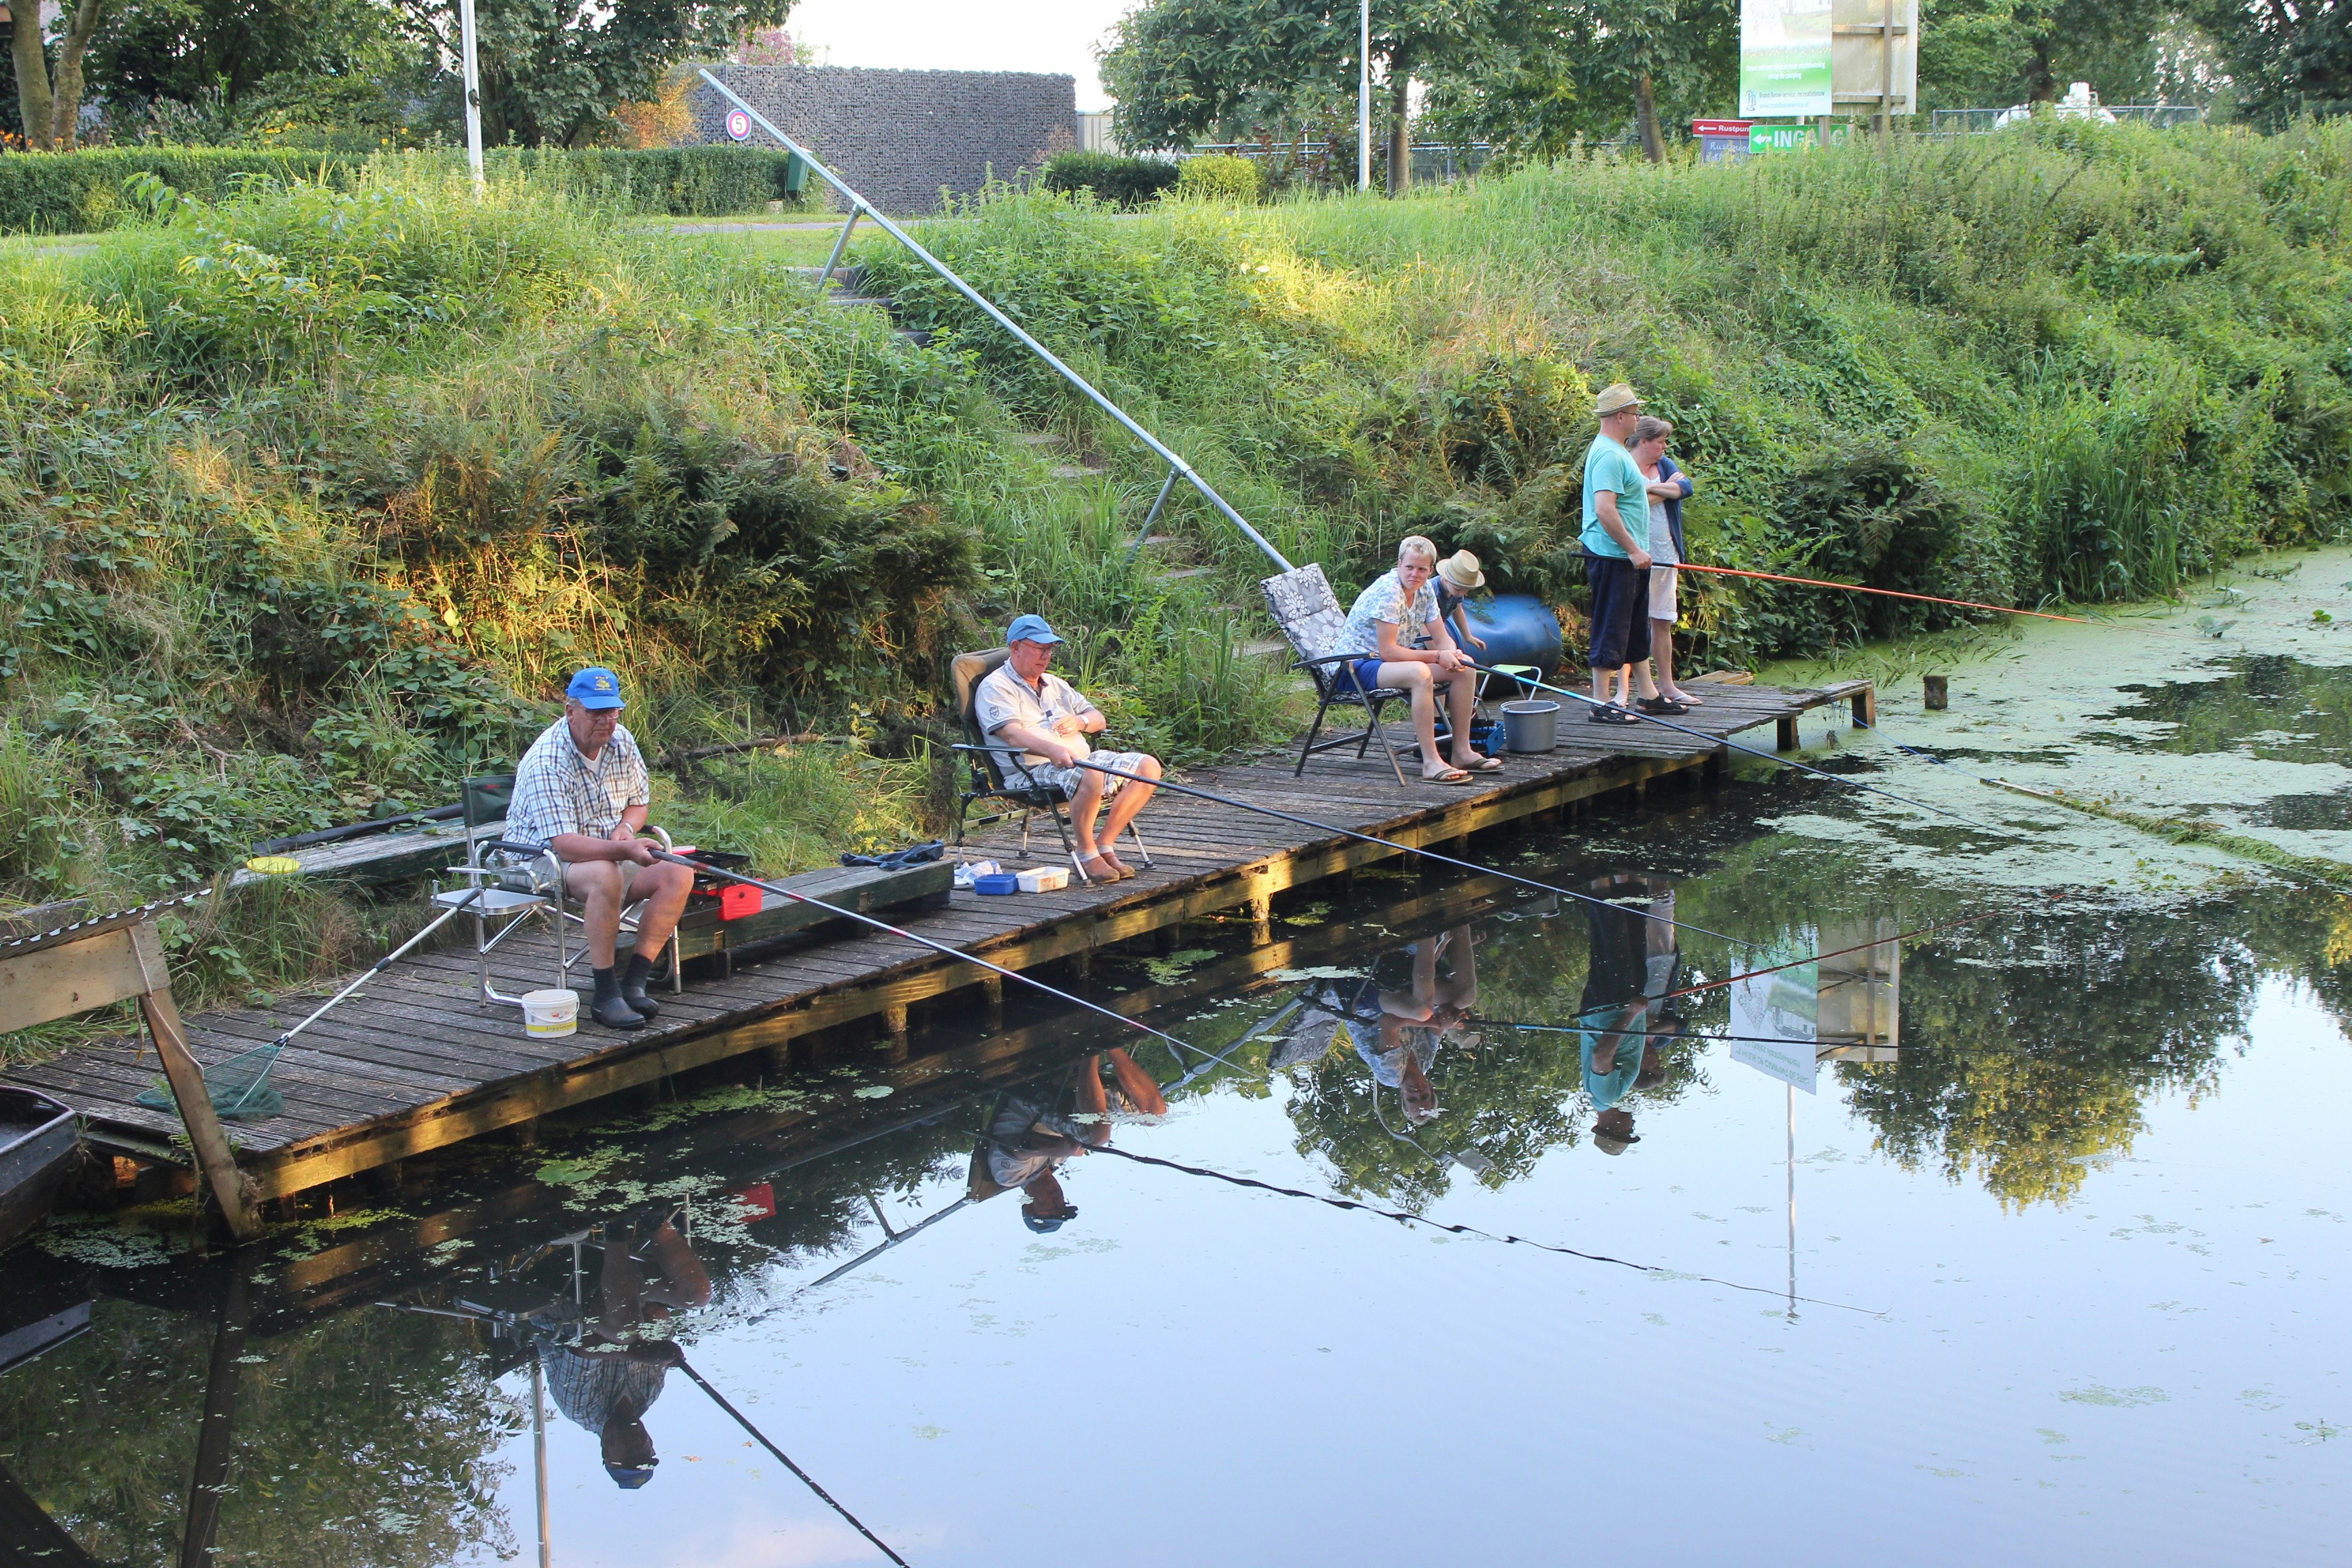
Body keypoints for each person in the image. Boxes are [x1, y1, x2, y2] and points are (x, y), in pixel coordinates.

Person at [506, 667, 696, 1031]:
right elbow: (565, 845)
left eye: (612, 712)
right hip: (539, 860)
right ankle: (605, 995)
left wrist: (626, 829)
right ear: (571, 711)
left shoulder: (621, 740)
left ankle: (635, 982)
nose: (606, 722)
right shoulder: (547, 759)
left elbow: (639, 803)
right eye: (596, 713)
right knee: (604, 874)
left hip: (605, 850)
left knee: (678, 870)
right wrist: (623, 851)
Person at [975, 615, 1162, 885]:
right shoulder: (996, 687)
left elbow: (1098, 719)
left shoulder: (1055, 684)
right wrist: (1052, 750)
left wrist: (1079, 721)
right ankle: (1086, 854)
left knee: (1148, 766)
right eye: (1039, 649)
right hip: (1030, 770)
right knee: (1091, 773)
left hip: (1080, 761)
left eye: (1050, 649)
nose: (1046, 656)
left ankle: (1105, 845)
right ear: (1015, 647)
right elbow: (1011, 734)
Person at [541, 1214, 713, 1489]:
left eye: (632, 1456)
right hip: (619, 1295)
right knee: (698, 1296)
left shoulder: (580, 1409)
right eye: (648, 1454)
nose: (640, 1446)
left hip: (567, 1301)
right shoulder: (648, 1395)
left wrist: (640, 1352)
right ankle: (655, 1220)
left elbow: (582, 1346)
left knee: (625, 1329)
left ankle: (616, 1224)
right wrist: (663, 1344)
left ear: (608, 1454)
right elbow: (658, 1314)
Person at [1333, 536, 1498, 785]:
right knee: (1420, 674)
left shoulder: (1426, 591)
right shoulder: (1389, 592)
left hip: (1385, 665)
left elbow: (1441, 637)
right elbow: (1389, 651)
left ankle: (1462, 752)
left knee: (1464, 669)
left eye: (1422, 569)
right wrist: (1437, 657)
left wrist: (1453, 655)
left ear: (1431, 570)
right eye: (1409, 567)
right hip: (1355, 666)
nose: (1415, 574)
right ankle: (1431, 762)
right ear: (1399, 564)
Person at [979, 1049, 1169, 1232]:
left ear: (1029, 1207)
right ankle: (1112, 1044)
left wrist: (1057, 1150)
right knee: (1155, 1114)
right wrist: (1067, 1151)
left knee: (1098, 1136)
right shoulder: (1055, 1163)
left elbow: (1017, 1147)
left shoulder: (1009, 1177)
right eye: (1062, 1205)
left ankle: (1091, 1049)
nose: (1057, 1200)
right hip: (1061, 1099)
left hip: (1029, 1101)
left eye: (1050, 1208)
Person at [1578, 384, 1652, 725]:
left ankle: (1649, 695)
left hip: (1629, 556)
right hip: (1613, 555)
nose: (1639, 418)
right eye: (1636, 412)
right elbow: (1605, 510)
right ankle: (1601, 702)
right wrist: (1633, 549)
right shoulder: (1608, 454)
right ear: (1620, 416)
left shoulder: (1617, 450)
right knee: (1611, 625)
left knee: (1635, 627)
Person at [1628, 416, 1700, 713]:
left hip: (1666, 553)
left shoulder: (1666, 465)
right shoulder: (1625, 464)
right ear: (1644, 441)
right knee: (1631, 622)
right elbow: (1628, 503)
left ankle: (1667, 685)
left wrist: (1651, 492)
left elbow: (1686, 489)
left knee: (1662, 620)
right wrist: (1662, 491)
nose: (1665, 447)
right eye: (1661, 441)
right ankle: (1624, 692)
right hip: (1634, 553)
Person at [1433, 549, 1490, 658]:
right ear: (1446, 579)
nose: (1462, 594)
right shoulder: (1432, 592)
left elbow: (1458, 611)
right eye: (1459, 589)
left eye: (1467, 590)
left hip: (1439, 634)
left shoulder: (1456, 592)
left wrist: (1468, 636)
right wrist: (1438, 655)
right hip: (1420, 637)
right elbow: (1425, 626)